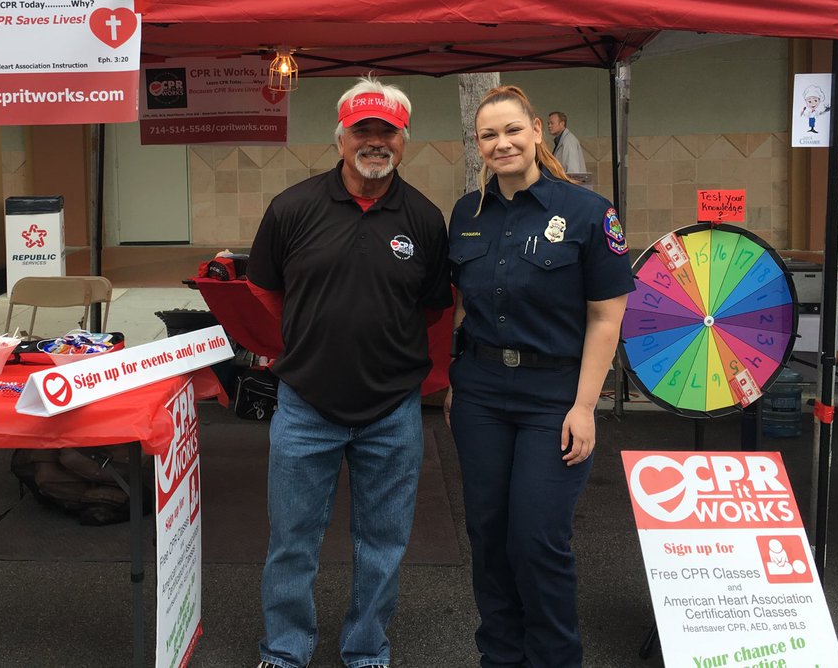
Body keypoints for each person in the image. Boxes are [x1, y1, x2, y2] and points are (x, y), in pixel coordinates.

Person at [247, 75, 453, 668]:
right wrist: (307, 346)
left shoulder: (424, 218)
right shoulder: (292, 208)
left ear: (404, 140)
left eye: (386, 131)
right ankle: (285, 651)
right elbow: (264, 293)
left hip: (392, 410)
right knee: (292, 544)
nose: (375, 142)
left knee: (383, 545)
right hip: (305, 403)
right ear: (341, 137)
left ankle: (366, 650)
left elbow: (435, 307)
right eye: (363, 130)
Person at [445, 85, 632, 668]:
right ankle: (500, 656)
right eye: (488, 135)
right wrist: (455, 379)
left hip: (553, 395)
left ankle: (553, 658)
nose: (501, 144)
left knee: (537, 538)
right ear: (478, 146)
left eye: (512, 131)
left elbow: (607, 316)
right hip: (479, 393)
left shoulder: (587, 211)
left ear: (536, 133)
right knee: (489, 534)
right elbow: (460, 304)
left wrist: (585, 406)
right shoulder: (466, 213)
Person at [546, 110, 587, 175]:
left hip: (569, 184)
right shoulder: (562, 140)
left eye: (552, 123)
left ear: (562, 123)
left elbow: (573, 171)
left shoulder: (569, 141)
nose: (549, 126)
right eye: (548, 123)